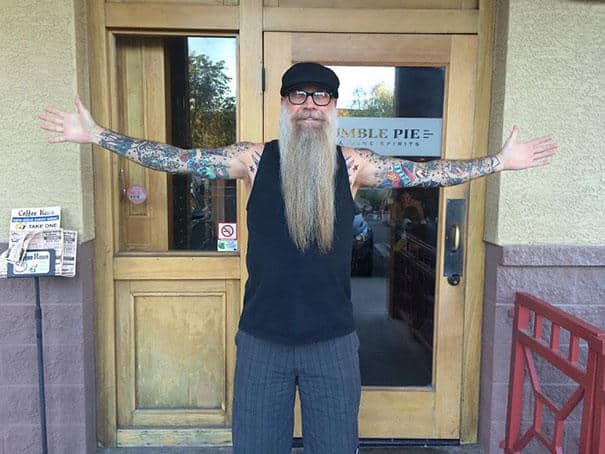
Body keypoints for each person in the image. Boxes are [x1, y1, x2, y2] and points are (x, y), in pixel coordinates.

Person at [40, 62, 557, 454]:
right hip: (261, 341)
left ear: (334, 107)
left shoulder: (353, 166)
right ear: (285, 104)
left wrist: (498, 163)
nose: (310, 105)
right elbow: (179, 160)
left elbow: (426, 174)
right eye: (298, 95)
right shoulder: (253, 160)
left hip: (332, 343)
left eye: (321, 96)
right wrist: (97, 135)